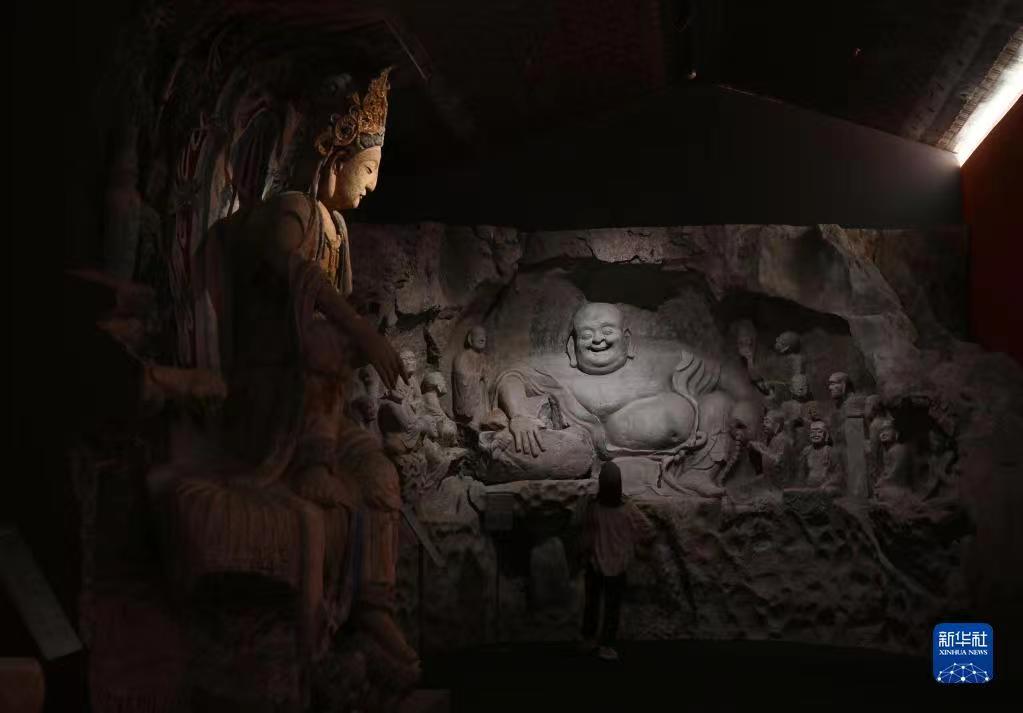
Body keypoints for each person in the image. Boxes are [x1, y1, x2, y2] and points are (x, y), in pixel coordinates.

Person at [577, 461, 655, 661]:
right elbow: (648, 530)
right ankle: (606, 644)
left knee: (592, 604)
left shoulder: (594, 508)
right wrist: (633, 544)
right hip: (618, 564)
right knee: (612, 607)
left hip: (595, 563)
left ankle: (589, 639)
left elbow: (586, 535)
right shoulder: (627, 508)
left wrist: (582, 554)